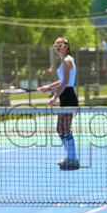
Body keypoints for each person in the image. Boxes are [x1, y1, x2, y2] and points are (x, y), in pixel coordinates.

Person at [38, 37, 80, 170]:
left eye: (60, 45)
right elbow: (62, 80)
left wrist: (54, 96)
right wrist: (49, 87)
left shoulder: (68, 61)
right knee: (60, 129)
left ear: (67, 46)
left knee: (65, 128)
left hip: (68, 98)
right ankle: (69, 157)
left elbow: (66, 82)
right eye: (55, 46)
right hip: (65, 97)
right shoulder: (65, 61)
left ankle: (73, 159)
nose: (57, 48)